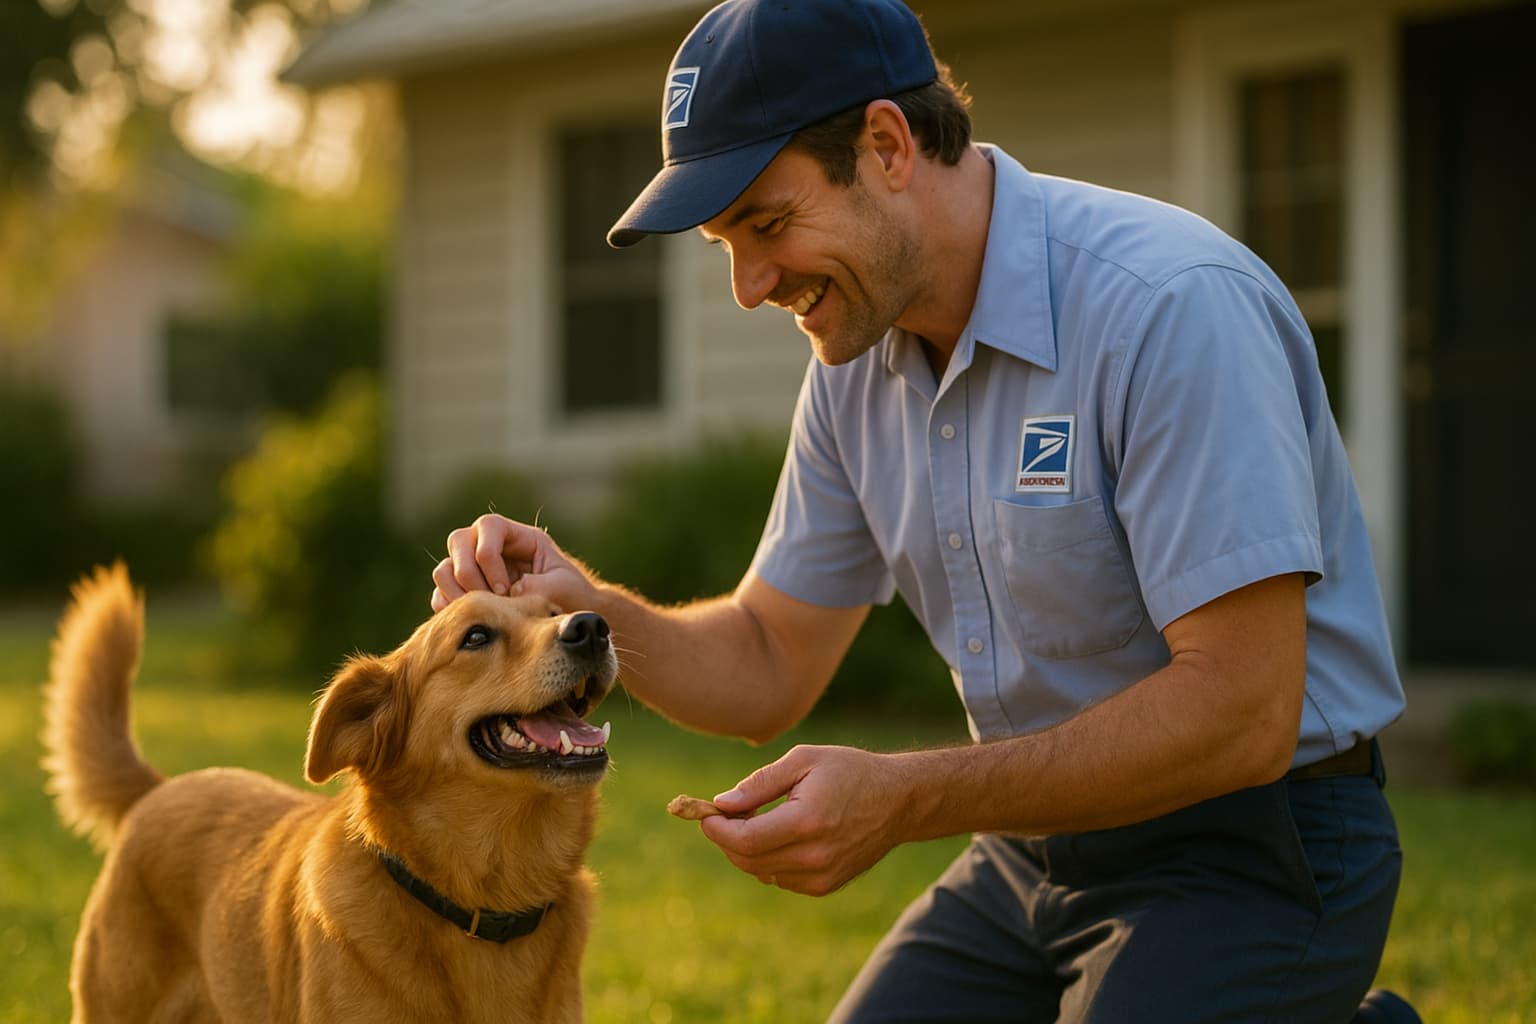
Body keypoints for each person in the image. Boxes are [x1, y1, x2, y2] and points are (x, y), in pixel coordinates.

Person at [432, 0, 1415, 1020]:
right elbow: (768, 657)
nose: (750, 284)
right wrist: (585, 608)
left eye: (767, 224)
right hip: (1031, 850)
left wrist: (905, 796)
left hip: (1257, 842)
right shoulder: (857, 361)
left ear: (888, 145)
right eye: (728, 243)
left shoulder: (1166, 307)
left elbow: (1244, 712)